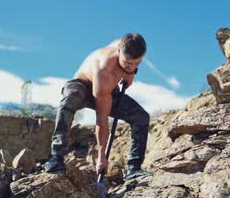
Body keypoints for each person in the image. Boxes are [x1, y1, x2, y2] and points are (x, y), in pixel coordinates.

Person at [43, 33, 152, 180]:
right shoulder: (105, 71)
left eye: (136, 64)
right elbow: (102, 118)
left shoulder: (128, 45)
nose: (131, 67)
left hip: (108, 90)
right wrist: (101, 156)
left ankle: (134, 168)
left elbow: (129, 68)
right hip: (83, 85)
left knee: (141, 117)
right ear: (119, 51)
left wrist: (129, 72)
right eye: (127, 63)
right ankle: (56, 158)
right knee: (70, 100)